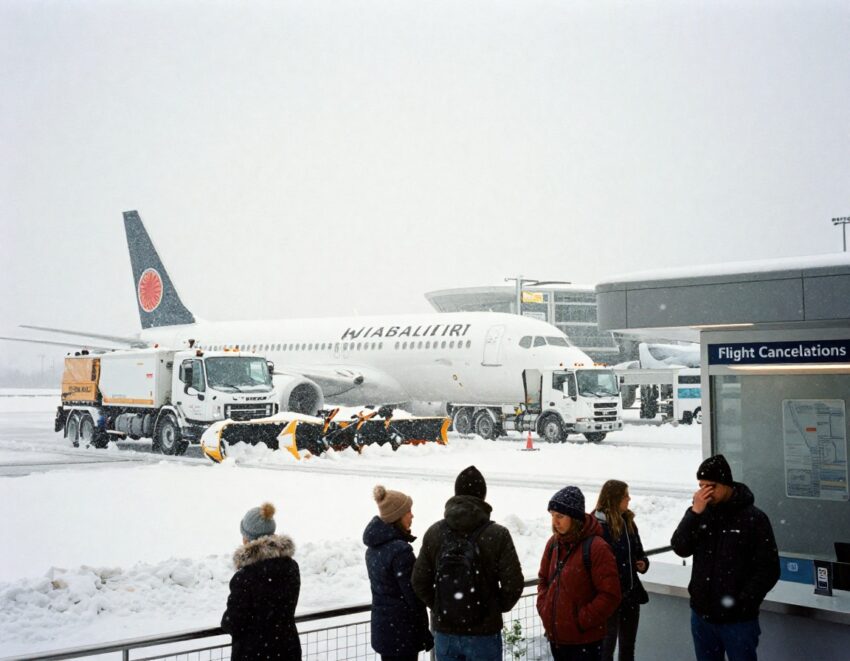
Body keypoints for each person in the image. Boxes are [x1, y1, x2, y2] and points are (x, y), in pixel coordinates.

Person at [671, 454, 780, 661]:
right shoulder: (700, 513)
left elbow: (769, 569)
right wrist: (693, 514)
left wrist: (742, 602)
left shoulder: (753, 519)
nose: (705, 493)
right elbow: (680, 547)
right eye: (701, 486)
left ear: (726, 484)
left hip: (738, 621)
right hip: (702, 615)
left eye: (711, 486)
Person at [412, 465, 524, 661]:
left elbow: (419, 581)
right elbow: (513, 584)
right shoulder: (497, 535)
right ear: (483, 496)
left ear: (456, 493)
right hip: (484, 634)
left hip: (445, 633)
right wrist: (492, 607)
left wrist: (442, 605)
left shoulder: (435, 533)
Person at [537, 485, 621, 661]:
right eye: (552, 516)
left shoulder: (597, 547)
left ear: (574, 518)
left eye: (560, 516)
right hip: (557, 639)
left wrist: (579, 621)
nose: (555, 522)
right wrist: (545, 610)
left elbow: (610, 595)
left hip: (585, 643)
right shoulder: (553, 544)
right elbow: (543, 579)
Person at [221, 502, 301, 660]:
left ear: (247, 539)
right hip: (287, 650)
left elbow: (232, 622)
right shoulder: (291, 567)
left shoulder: (244, 577)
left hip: (254, 654)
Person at [363, 485, 433, 661]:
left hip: (384, 631)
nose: (412, 515)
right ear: (396, 516)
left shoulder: (373, 548)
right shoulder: (400, 551)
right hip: (403, 633)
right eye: (408, 511)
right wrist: (424, 631)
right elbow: (413, 596)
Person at [592, 480, 649, 661]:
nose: (629, 499)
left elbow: (639, 551)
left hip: (630, 595)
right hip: (608, 598)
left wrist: (643, 563)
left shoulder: (629, 522)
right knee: (605, 650)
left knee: (627, 648)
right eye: (625, 496)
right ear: (614, 499)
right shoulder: (597, 526)